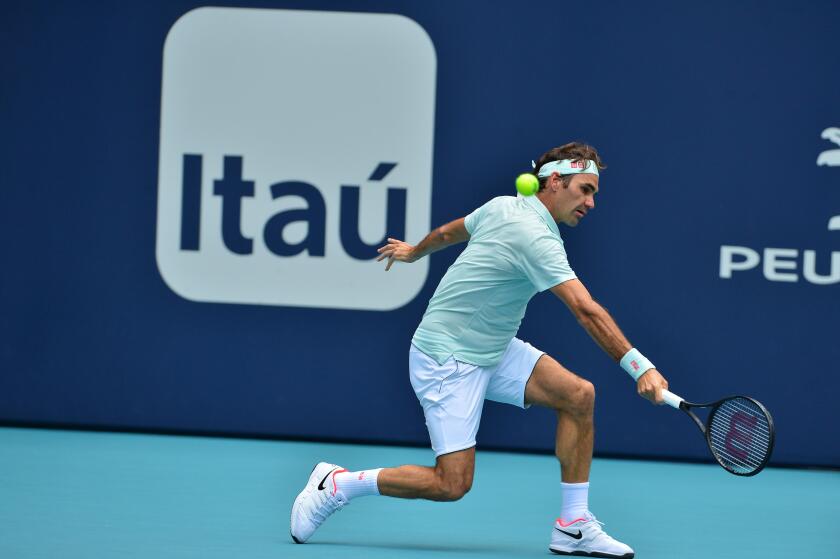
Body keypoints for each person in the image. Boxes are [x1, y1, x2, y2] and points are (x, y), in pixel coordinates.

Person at [290, 142, 669, 558]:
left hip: (492, 348)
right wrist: (640, 368)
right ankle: (338, 484)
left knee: (578, 395)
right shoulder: (536, 237)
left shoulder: (504, 205)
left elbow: (449, 232)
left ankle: (574, 526)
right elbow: (585, 310)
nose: (591, 202)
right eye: (584, 190)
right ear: (555, 182)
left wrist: (416, 251)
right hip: (446, 358)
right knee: (451, 484)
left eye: (595, 193)